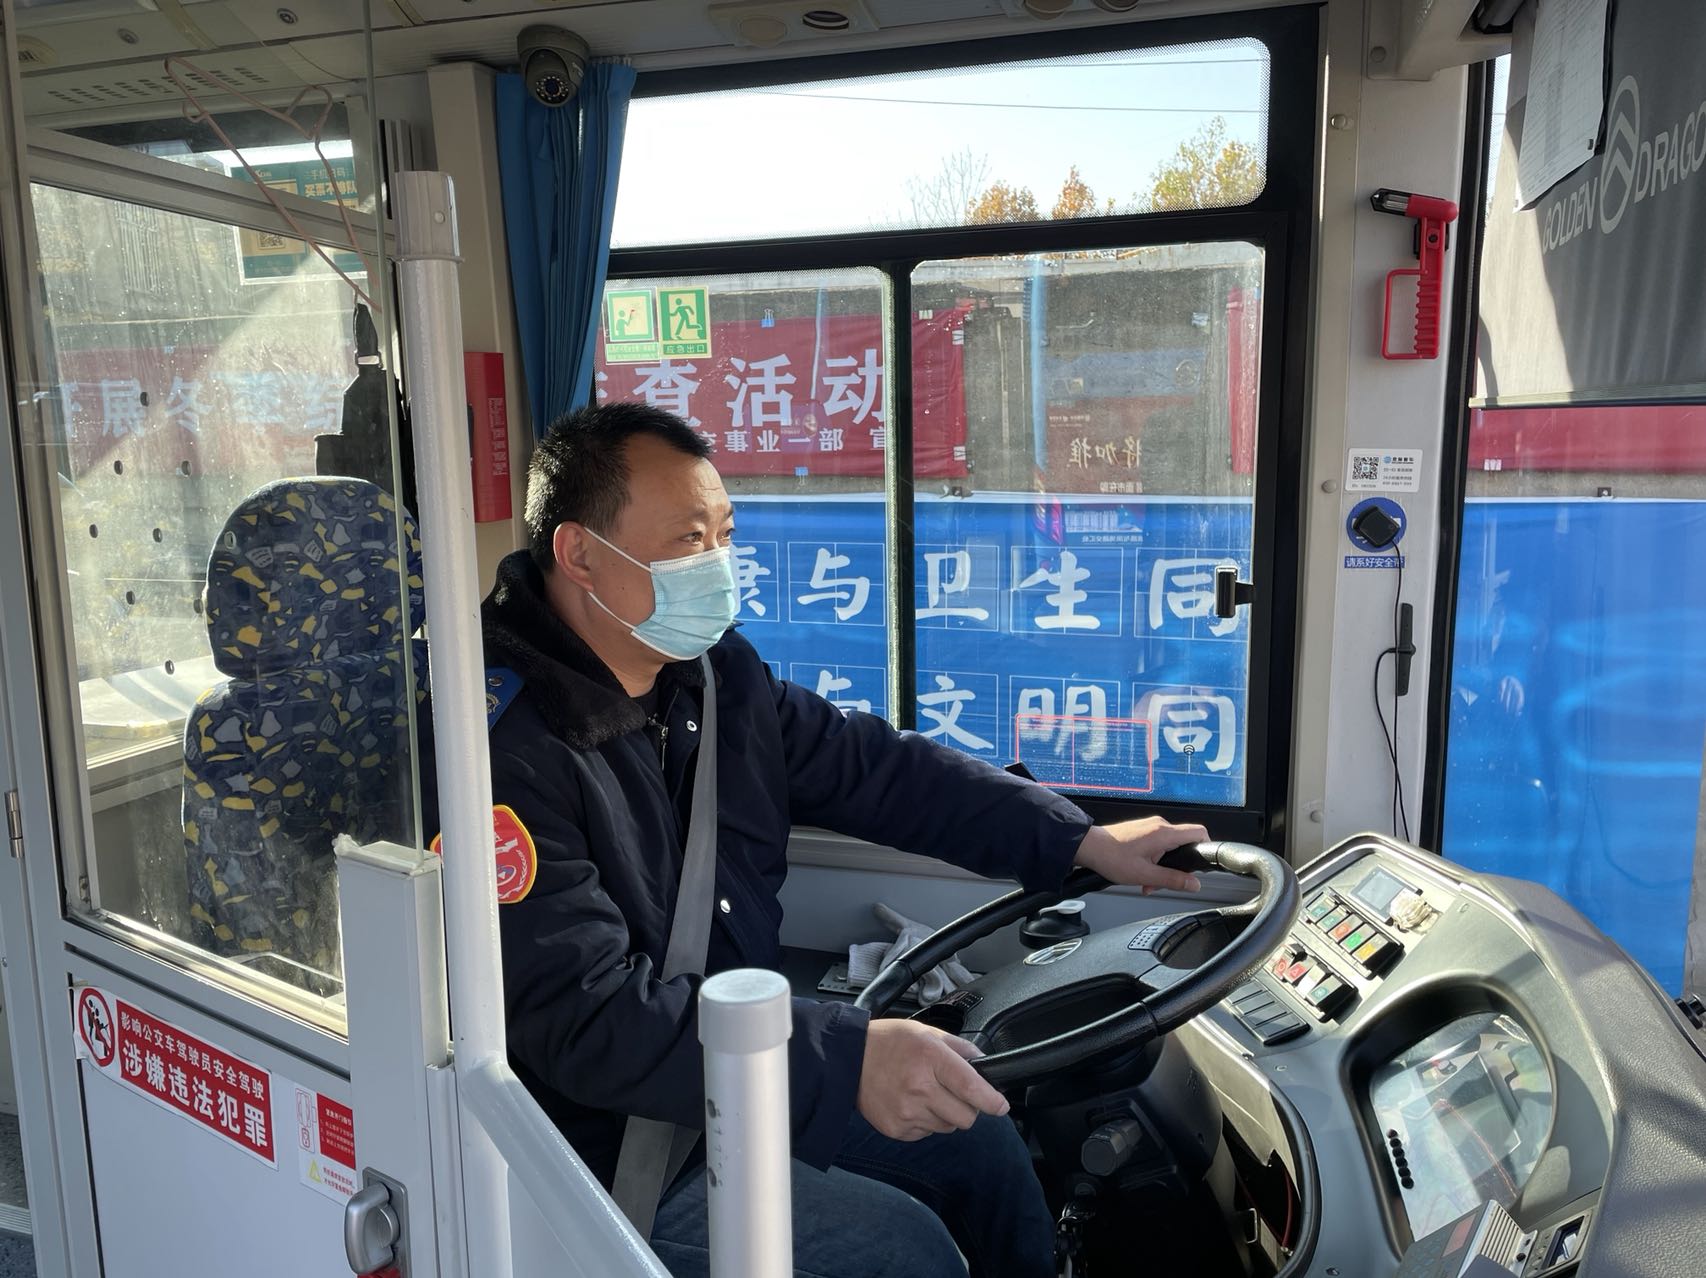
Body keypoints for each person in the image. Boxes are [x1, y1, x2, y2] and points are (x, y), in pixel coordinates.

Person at [435, 402, 1209, 1278]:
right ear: (580, 554)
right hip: (604, 1150)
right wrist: (842, 1062)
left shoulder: (712, 678)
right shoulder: (494, 751)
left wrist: (1076, 841)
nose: (717, 565)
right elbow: (589, 1019)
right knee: (907, 1254)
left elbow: (874, 769)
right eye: (689, 540)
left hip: (741, 1079)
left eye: (724, 535)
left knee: (980, 1133)